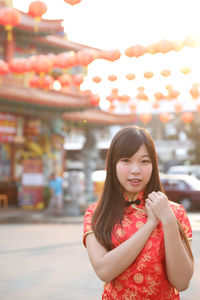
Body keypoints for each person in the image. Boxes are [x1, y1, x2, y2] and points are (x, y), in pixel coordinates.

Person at [83, 126, 194, 299]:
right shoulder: (97, 213)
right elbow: (104, 271)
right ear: (113, 164)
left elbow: (181, 283)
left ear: (153, 165)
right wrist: (150, 224)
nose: (135, 170)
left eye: (144, 161)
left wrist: (169, 222)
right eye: (126, 160)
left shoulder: (174, 213)